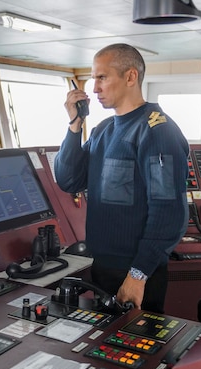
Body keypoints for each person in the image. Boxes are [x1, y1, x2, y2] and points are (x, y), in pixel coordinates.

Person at [54, 43, 189, 313]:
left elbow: (168, 213)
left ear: (130, 77)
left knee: (135, 351)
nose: (94, 88)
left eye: (102, 77)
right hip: (103, 265)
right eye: (94, 78)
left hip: (136, 270)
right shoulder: (104, 130)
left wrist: (138, 275)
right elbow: (68, 180)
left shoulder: (156, 131)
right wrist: (74, 124)